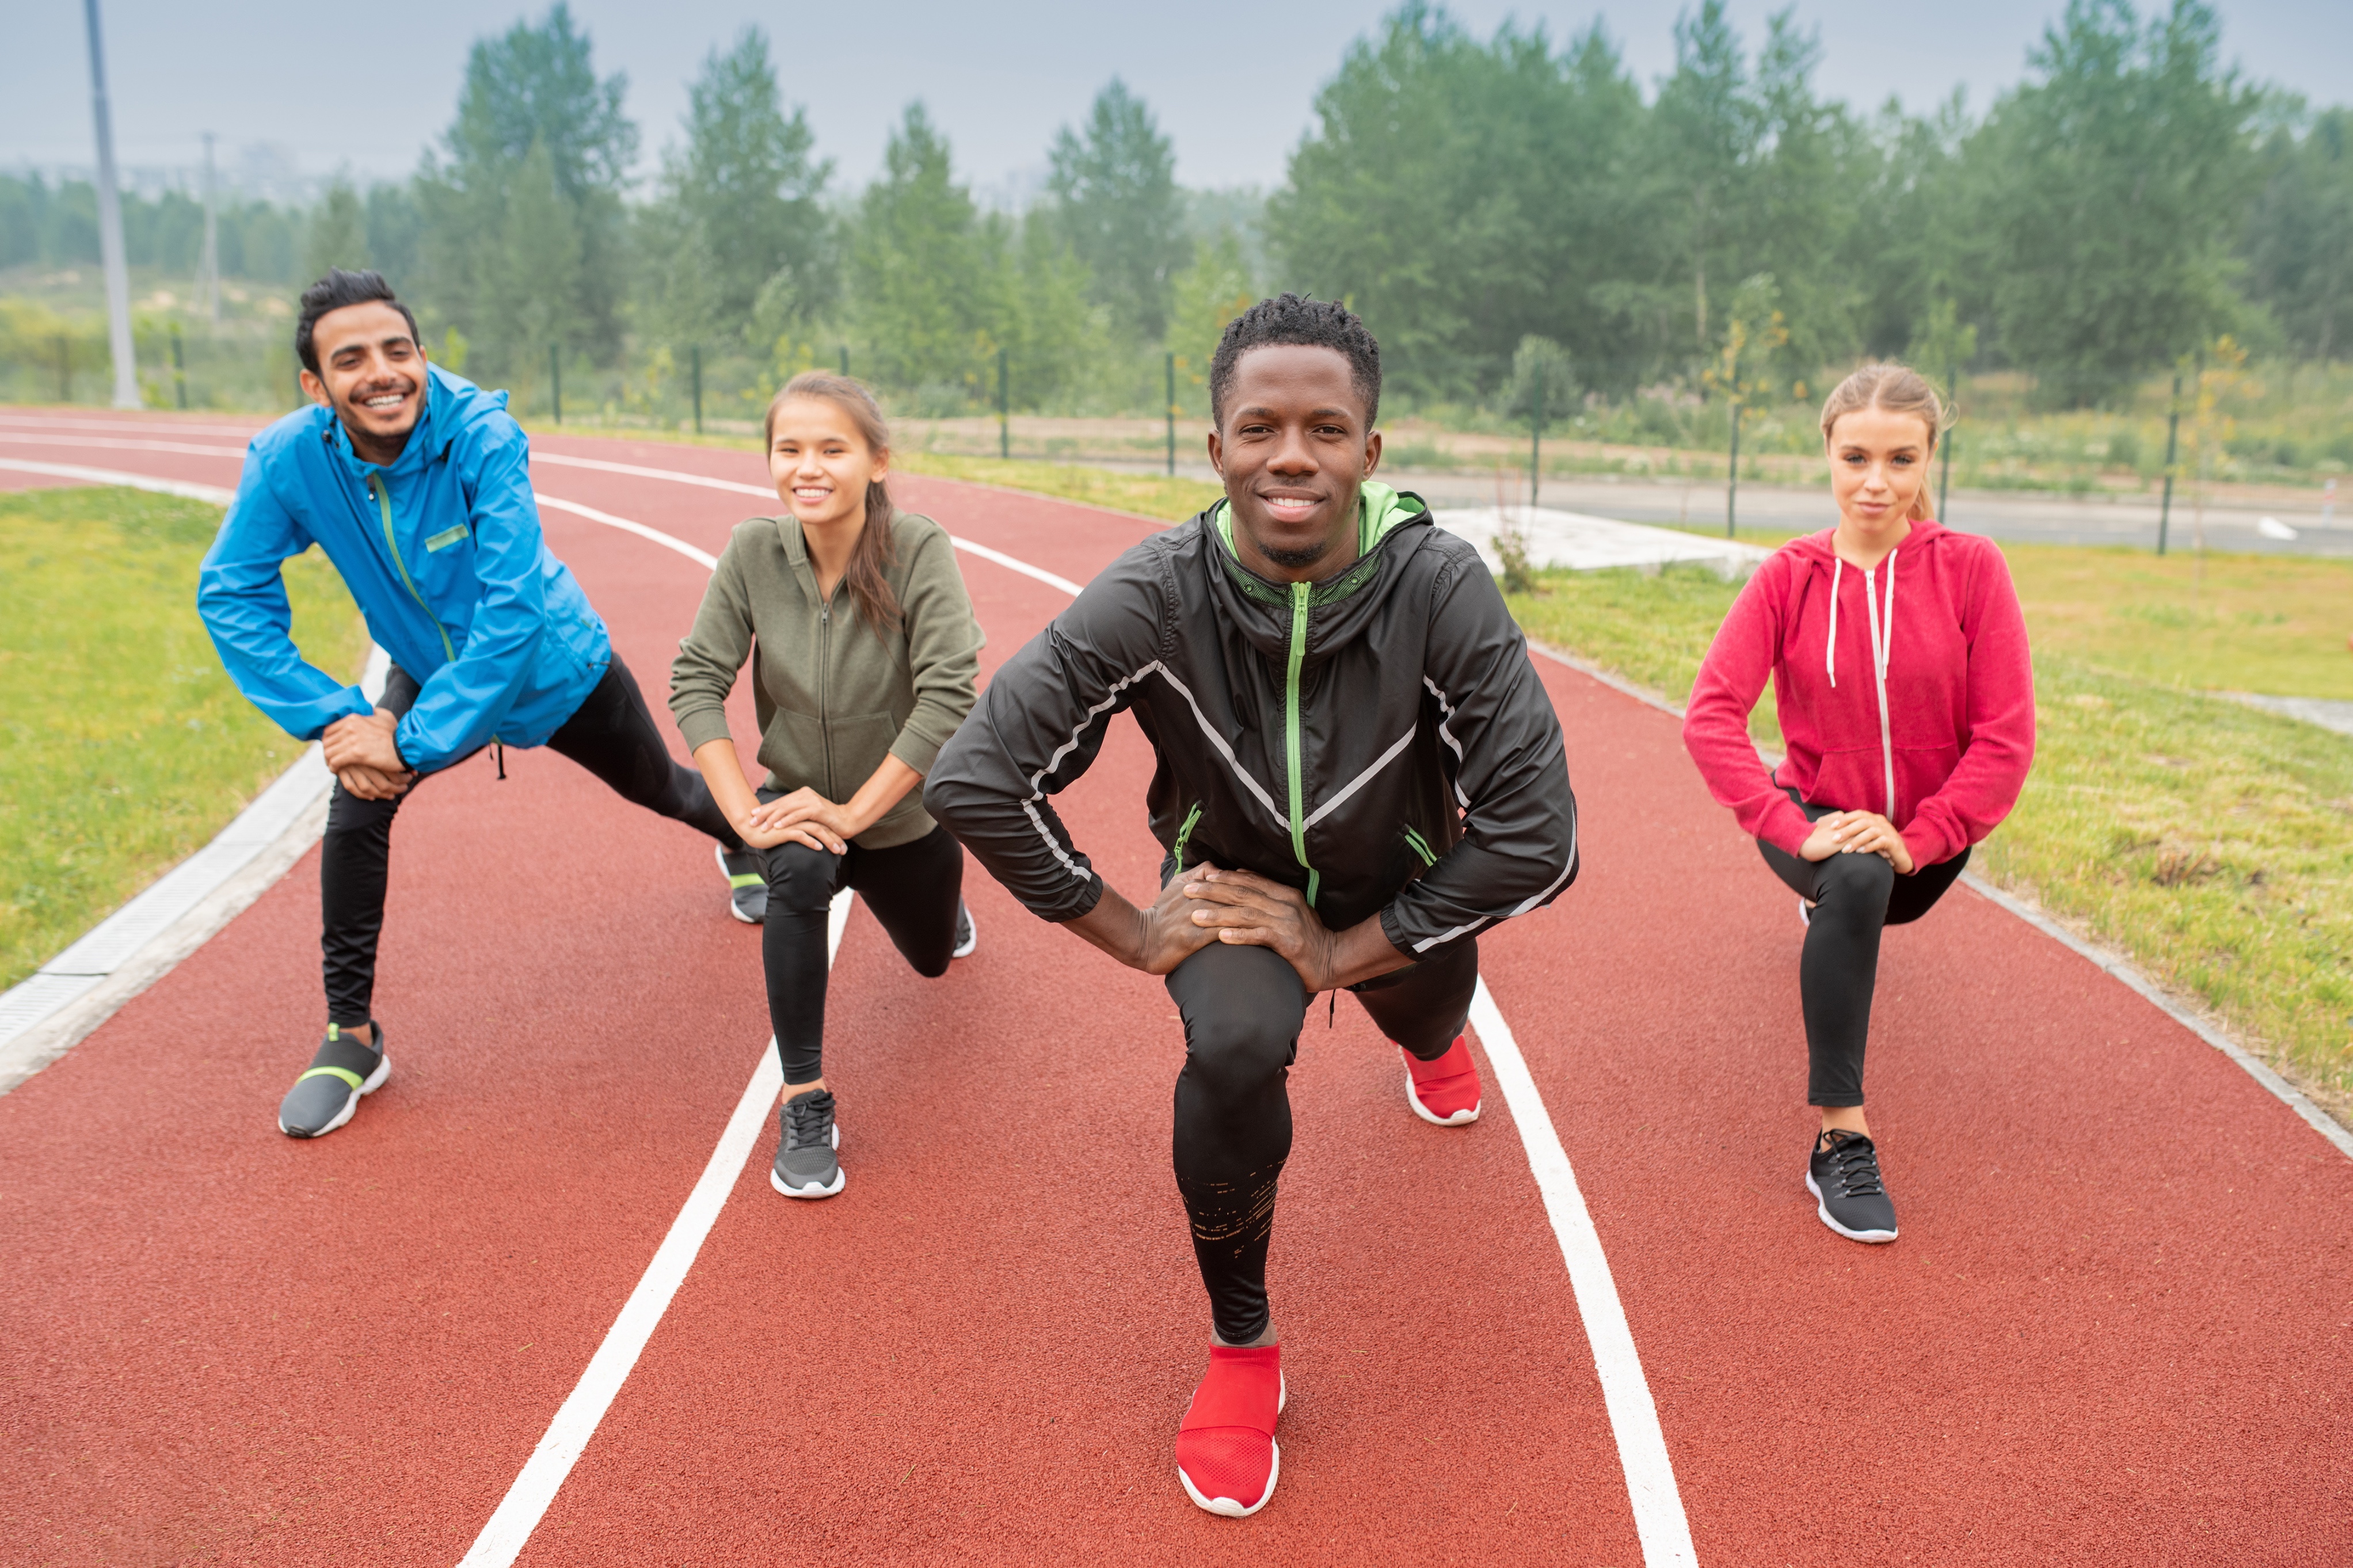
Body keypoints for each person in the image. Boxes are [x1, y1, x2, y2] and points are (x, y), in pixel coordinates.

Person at [924, 295, 1578, 1518]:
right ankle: (1242, 1346)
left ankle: (1430, 1043)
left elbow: (1541, 836)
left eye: (1326, 429)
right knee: (1230, 1047)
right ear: (1214, 445)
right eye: (1259, 427)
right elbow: (974, 774)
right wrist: (1127, 928)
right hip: (1228, 886)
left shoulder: (1438, 590)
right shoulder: (1155, 594)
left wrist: (1339, 951)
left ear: (1370, 453)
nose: (1292, 455)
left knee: (1428, 1015)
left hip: (1403, 893)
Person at [196, 269, 766, 1141]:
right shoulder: (289, 461)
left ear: (422, 355)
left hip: (552, 666)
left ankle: (738, 836)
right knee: (355, 815)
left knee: (661, 788)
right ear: (316, 387)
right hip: (425, 664)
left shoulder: (482, 435)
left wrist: (409, 744)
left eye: (398, 349)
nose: (382, 372)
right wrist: (340, 719)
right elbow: (232, 591)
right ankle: (351, 1037)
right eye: (351, 360)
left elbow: (510, 611)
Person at [1682, 363, 2035, 1245]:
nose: (1876, 481)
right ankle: (1841, 1133)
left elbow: (2005, 737)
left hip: (1928, 842)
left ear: (1928, 463)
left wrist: (1922, 837)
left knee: (1875, 878)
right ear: (1828, 457)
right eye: (1856, 457)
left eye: (1900, 459)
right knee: (1852, 880)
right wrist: (1788, 826)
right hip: (1816, 821)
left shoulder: (1972, 571)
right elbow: (1711, 716)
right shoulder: (1788, 577)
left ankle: (1852, 891)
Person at [669, 373, 983, 1198]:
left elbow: (952, 693)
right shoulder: (752, 551)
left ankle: (946, 908)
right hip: (801, 801)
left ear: (878, 461)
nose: (807, 467)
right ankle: (804, 1097)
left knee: (930, 962)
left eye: (832, 448)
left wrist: (855, 810)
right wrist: (746, 813)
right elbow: (697, 677)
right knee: (796, 875)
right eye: (790, 449)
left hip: (905, 816)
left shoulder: (919, 549)